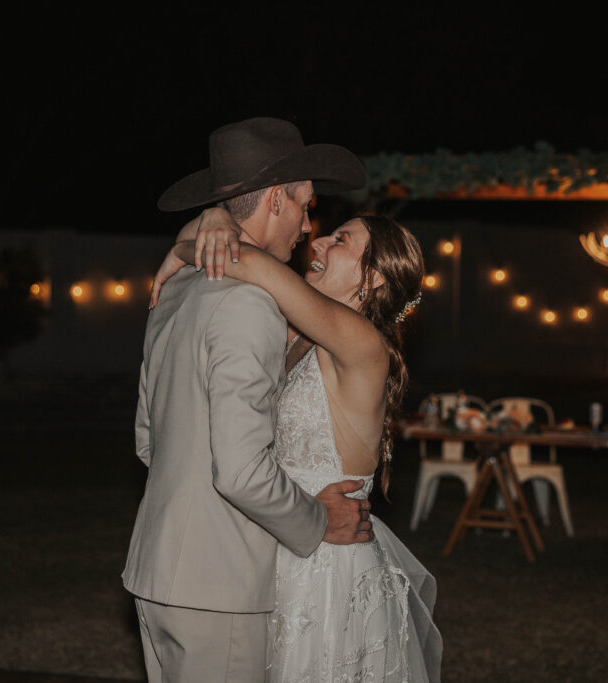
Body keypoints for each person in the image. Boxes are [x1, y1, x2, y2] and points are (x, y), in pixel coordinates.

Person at [122, 116, 376, 683]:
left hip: (156, 573)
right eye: (306, 206)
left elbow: (148, 440)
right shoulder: (250, 303)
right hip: (218, 584)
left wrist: (201, 229)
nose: (309, 227)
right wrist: (319, 520)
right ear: (277, 201)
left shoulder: (174, 288)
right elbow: (238, 470)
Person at [151, 208, 443, 682]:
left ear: (372, 279)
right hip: (286, 539)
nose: (320, 241)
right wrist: (211, 221)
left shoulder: (361, 340)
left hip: (327, 568)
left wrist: (184, 246)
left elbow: (246, 262)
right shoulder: (302, 338)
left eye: (342, 241)